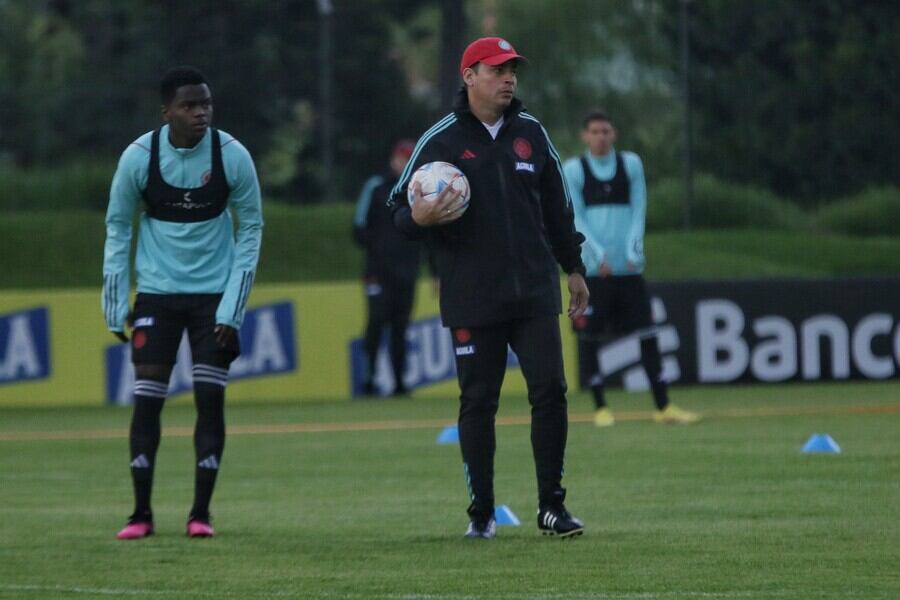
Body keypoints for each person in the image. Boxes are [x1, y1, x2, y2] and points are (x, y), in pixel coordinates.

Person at [389, 37, 590, 539]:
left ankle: (552, 507)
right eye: (497, 70)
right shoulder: (440, 140)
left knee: (550, 392)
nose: (509, 78)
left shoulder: (531, 133)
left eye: (513, 70)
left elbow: (557, 209)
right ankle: (481, 512)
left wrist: (574, 267)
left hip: (533, 291)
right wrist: (419, 216)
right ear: (469, 76)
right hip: (473, 296)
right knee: (479, 401)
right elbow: (396, 212)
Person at [102, 66, 263, 539]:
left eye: (206, 104)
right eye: (190, 105)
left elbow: (251, 229)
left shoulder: (232, 156)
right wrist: (115, 301)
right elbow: (117, 226)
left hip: (213, 300)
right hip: (157, 294)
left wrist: (232, 307)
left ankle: (200, 514)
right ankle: (140, 515)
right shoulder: (138, 158)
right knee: (147, 400)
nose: (201, 113)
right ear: (166, 111)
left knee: (210, 401)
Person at [563, 110, 699, 427]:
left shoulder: (631, 165)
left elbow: (638, 210)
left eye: (605, 131)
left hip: (628, 269)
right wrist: (597, 255)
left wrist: (632, 250)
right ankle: (600, 408)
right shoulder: (574, 169)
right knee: (591, 337)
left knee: (647, 333)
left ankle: (663, 406)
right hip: (596, 271)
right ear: (585, 136)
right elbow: (576, 216)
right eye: (594, 131)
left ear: (614, 134)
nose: (600, 137)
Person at [353, 140, 423, 396]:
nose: (403, 163)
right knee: (375, 323)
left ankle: (399, 382)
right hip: (377, 273)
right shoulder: (376, 186)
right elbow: (358, 228)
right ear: (394, 158)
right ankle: (369, 380)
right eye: (401, 157)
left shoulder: (420, 188)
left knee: (400, 328)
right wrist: (379, 249)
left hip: (407, 272)